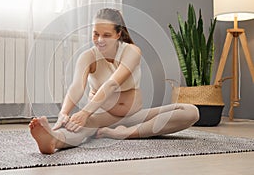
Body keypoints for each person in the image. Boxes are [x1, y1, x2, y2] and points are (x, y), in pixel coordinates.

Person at [29, 8, 199, 154]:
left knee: (191, 111)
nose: (100, 40)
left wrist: (85, 112)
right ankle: (53, 140)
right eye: (96, 34)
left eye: (107, 35)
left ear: (118, 34)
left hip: (134, 116)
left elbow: (112, 84)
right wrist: (64, 113)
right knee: (78, 127)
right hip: (101, 117)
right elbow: (76, 87)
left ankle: (122, 133)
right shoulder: (87, 57)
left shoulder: (132, 51)